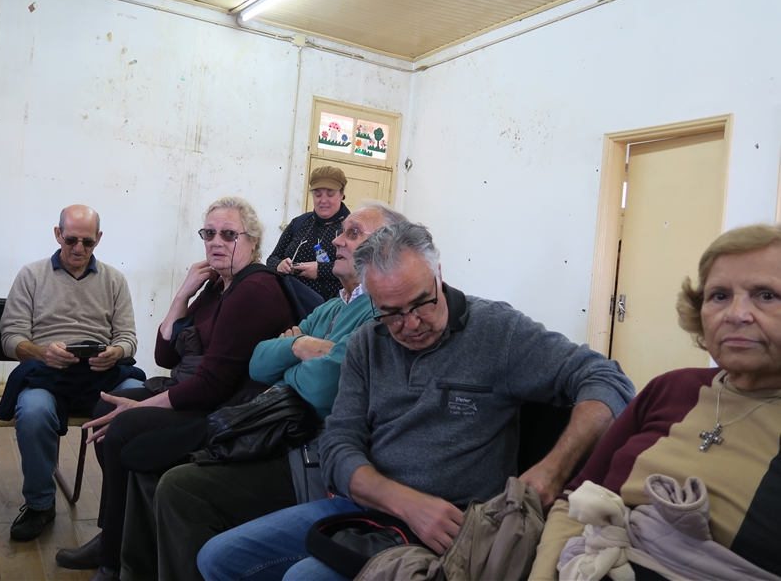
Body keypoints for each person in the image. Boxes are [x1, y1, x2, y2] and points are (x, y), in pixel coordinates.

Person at [197, 222, 636, 581]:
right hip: (372, 507)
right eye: (390, 313)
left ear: (438, 275)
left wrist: (552, 471)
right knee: (217, 558)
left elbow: (607, 379)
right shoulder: (368, 342)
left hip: (454, 524)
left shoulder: (495, 332)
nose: (410, 325)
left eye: (422, 304)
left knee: (305, 577)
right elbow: (339, 444)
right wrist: (402, 502)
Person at [118, 202, 409, 581]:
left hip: (307, 452)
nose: (336, 240)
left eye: (352, 233)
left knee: (172, 480)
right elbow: (258, 361)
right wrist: (300, 346)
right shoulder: (330, 307)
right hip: (273, 428)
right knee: (145, 459)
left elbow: (324, 387)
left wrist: (291, 356)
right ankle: (122, 563)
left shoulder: (377, 309)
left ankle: (120, 561)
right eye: (209, 234)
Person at [55, 196, 297, 581]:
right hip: (195, 390)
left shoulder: (255, 289)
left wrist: (140, 408)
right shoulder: (217, 286)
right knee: (107, 411)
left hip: (227, 410)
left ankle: (117, 558)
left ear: (253, 241)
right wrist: (184, 293)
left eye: (229, 235)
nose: (216, 242)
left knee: (122, 428)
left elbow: (214, 386)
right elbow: (165, 354)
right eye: (209, 234)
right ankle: (115, 535)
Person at [529, 224, 781, 581]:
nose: (736, 314)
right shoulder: (672, 388)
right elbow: (574, 499)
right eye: (719, 296)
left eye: (766, 295)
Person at [0, 205, 144, 542]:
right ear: (57, 234)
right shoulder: (31, 275)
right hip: (48, 372)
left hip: (101, 372)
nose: (78, 248)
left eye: (87, 242)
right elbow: (11, 338)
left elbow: (128, 338)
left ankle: (125, 510)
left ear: (99, 239)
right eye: (71, 240)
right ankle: (40, 504)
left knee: (138, 403)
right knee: (33, 413)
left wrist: (116, 352)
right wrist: (42, 352)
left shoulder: (114, 280)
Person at [267, 166, 350, 301]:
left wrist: (321, 270)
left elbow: (358, 269)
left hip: (329, 307)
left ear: (342, 194)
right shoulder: (300, 222)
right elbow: (272, 258)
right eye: (317, 195)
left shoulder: (352, 228)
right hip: (289, 302)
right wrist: (279, 265)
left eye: (330, 194)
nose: (323, 201)